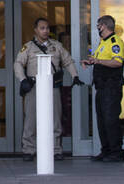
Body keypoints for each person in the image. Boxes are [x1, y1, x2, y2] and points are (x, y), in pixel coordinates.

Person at [14, 17, 83, 161]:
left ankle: (55, 149)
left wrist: (75, 75)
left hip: (53, 86)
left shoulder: (56, 46)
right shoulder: (28, 47)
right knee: (31, 119)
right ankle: (29, 150)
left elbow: (67, 61)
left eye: (47, 28)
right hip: (34, 87)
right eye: (42, 28)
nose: (45, 31)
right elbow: (18, 64)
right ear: (36, 30)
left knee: (55, 119)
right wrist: (23, 80)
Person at [82, 14, 124, 162]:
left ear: (104, 26)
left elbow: (118, 62)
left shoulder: (115, 41)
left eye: (99, 26)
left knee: (110, 119)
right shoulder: (103, 43)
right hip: (101, 87)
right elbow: (102, 61)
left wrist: (99, 60)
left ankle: (116, 152)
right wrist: (92, 62)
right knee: (101, 120)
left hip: (111, 87)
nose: (98, 28)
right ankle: (106, 150)